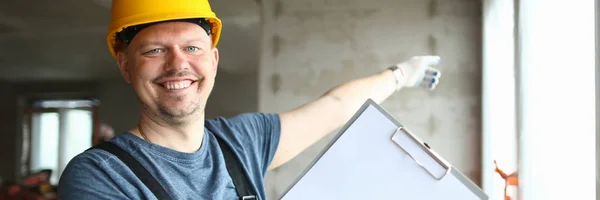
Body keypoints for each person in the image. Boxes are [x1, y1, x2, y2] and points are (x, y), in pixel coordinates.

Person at [57, 0, 442, 199]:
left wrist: (401, 74)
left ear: (214, 60)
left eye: (192, 47)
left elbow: (336, 106)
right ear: (125, 67)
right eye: (155, 51)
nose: (178, 65)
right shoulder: (100, 176)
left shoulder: (241, 143)